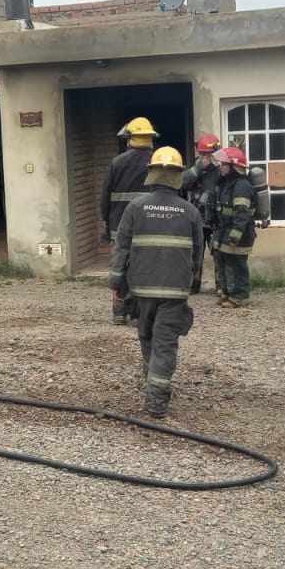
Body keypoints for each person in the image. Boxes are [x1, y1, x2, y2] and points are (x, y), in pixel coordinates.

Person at [108, 146, 204, 419]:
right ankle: (156, 400)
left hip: (140, 290)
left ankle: (152, 384)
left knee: (147, 336)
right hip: (174, 292)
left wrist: (116, 282)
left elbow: (121, 248)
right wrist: (190, 283)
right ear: (178, 176)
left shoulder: (135, 208)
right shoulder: (190, 212)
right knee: (165, 343)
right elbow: (197, 254)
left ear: (151, 174)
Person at [98, 116, 159, 324]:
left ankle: (119, 311)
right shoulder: (156, 162)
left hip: (119, 225)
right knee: (145, 265)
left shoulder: (117, 162)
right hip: (149, 224)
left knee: (120, 265)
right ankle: (141, 311)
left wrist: (106, 221)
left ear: (130, 138)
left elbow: (106, 195)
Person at [212, 146, 257, 307]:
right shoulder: (228, 183)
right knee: (223, 261)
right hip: (224, 230)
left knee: (236, 265)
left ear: (234, 167)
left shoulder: (242, 186)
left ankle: (239, 296)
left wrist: (235, 235)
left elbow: (242, 213)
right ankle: (226, 293)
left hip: (238, 234)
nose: (221, 167)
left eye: (224, 164)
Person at [181, 133, 223, 293]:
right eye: (203, 154)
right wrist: (199, 168)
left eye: (209, 154)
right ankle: (194, 284)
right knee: (195, 252)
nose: (206, 157)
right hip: (198, 217)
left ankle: (220, 285)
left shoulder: (221, 170)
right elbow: (183, 184)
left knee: (218, 253)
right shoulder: (194, 169)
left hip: (216, 218)